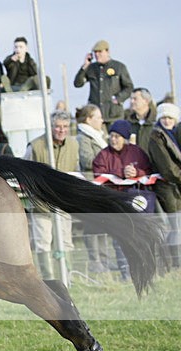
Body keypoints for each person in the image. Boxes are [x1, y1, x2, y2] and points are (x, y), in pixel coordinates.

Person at [92, 119, 153, 279]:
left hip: (136, 201)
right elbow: (98, 173)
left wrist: (137, 172)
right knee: (120, 238)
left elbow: (148, 170)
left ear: (125, 138)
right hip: (115, 203)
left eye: (118, 136)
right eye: (112, 135)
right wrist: (120, 172)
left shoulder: (137, 152)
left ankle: (146, 268)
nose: (113, 139)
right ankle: (125, 272)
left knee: (140, 236)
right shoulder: (103, 155)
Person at [23, 110, 79, 279]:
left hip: (64, 203)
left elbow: (77, 171)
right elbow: (25, 172)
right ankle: (49, 279)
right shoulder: (35, 146)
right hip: (41, 204)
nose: (61, 130)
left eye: (65, 127)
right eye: (57, 127)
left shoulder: (74, 145)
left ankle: (67, 277)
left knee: (66, 242)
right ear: (50, 127)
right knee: (43, 243)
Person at [76, 103, 114, 272]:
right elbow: (87, 161)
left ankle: (105, 259)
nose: (101, 120)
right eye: (98, 117)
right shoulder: (83, 138)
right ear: (89, 119)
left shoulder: (99, 136)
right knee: (92, 225)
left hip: (102, 185)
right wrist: (108, 161)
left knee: (104, 223)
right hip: (90, 184)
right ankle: (95, 261)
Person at [148, 102, 181, 268]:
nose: (167, 120)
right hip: (168, 187)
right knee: (175, 225)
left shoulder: (175, 134)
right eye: (164, 117)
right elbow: (167, 168)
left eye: (170, 117)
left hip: (177, 186)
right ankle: (175, 263)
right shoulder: (157, 136)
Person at [73, 40, 134, 127]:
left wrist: (118, 99)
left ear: (107, 51)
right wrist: (85, 66)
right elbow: (77, 84)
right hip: (96, 116)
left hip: (114, 115)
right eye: (95, 52)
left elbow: (129, 87)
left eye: (100, 52)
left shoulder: (119, 67)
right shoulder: (91, 68)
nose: (97, 55)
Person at [125, 88, 157, 152]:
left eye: (135, 99)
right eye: (131, 99)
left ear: (146, 101)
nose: (132, 101)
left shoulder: (156, 122)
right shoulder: (128, 123)